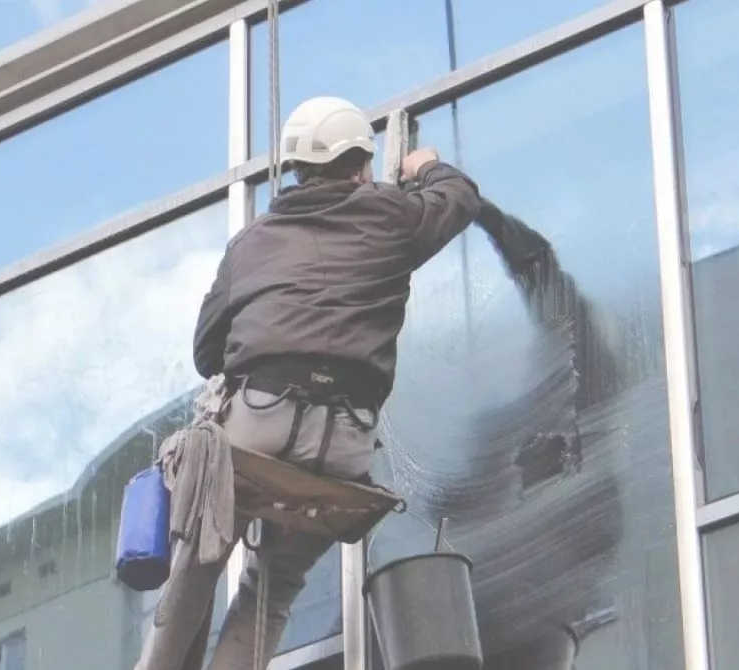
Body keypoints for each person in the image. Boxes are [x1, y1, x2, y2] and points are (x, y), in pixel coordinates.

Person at [135, 95, 481, 670]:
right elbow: (460, 197)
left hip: (259, 422)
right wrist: (424, 166)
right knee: (274, 589)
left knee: (196, 566)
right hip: (343, 443)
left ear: (295, 169)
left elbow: (206, 353)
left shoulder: (251, 242)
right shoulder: (392, 215)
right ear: (362, 165)